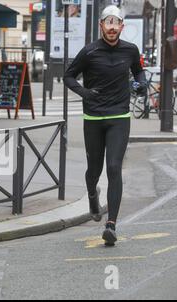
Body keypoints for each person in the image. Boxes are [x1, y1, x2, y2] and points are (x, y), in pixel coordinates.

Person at [63, 5, 147, 247]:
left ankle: (111, 224)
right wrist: (84, 93)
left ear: (122, 26)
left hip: (119, 117)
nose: (112, 27)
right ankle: (92, 194)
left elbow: (139, 73)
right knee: (94, 169)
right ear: (101, 26)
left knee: (113, 167)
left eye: (116, 23)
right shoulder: (89, 52)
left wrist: (140, 84)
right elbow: (69, 76)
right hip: (93, 118)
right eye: (107, 23)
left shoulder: (130, 51)